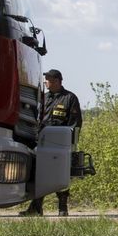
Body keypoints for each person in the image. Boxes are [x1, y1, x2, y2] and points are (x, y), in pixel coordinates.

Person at [20, 68, 83, 217]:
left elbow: (75, 123)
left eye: (47, 80)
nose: (45, 82)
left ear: (56, 81)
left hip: (60, 144)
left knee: (60, 175)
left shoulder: (69, 98)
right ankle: (36, 208)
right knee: (39, 174)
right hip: (42, 143)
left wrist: (70, 143)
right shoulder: (44, 97)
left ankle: (62, 208)